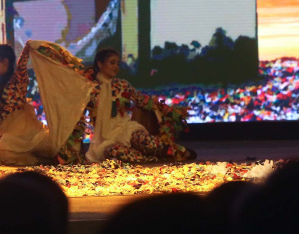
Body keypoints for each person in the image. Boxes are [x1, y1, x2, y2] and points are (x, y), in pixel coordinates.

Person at [30, 42, 195, 164]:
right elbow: (76, 116)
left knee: (146, 141)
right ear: (100, 64)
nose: (116, 67)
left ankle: (178, 150)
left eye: (117, 63)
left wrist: (166, 109)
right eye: (112, 62)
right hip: (105, 139)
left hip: (126, 128)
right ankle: (154, 156)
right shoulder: (89, 90)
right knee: (118, 153)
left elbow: (142, 100)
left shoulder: (122, 85)